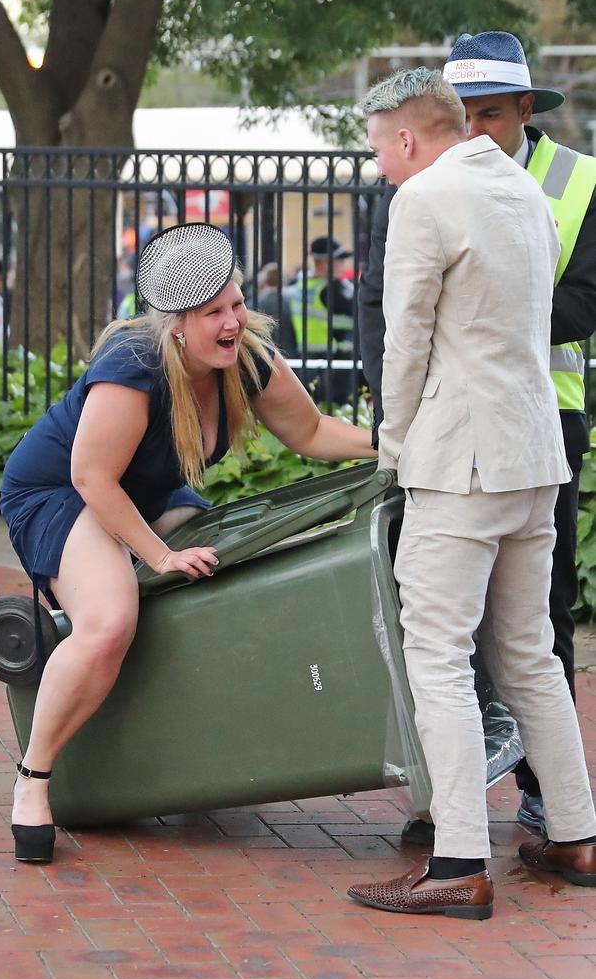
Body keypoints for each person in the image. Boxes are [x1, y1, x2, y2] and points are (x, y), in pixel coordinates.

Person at [0, 221, 376, 865]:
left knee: (231, 570)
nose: (233, 323)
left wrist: (400, 445)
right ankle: (33, 781)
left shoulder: (247, 354)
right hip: (60, 491)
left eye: (235, 304)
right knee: (111, 617)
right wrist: (158, 556)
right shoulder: (135, 367)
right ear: (175, 322)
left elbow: (311, 432)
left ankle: (194, 745)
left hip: (145, 491)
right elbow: (91, 476)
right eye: (213, 313)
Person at [347, 68, 596, 921]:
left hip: (463, 464)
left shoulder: (423, 200)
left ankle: (458, 859)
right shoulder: (522, 187)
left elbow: (404, 339)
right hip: (535, 460)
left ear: (408, 138)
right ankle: (575, 833)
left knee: (438, 655)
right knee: (528, 653)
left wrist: (393, 442)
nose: (380, 166)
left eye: (380, 148)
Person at [287, 236, 355, 404]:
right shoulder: (332, 288)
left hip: (307, 359)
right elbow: (358, 315)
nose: (343, 264)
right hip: (336, 360)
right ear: (325, 262)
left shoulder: (303, 286)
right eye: (339, 259)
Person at [254, 262, 297, 357]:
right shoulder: (292, 301)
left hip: (265, 354)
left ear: (265, 280)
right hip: (291, 352)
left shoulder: (257, 302)